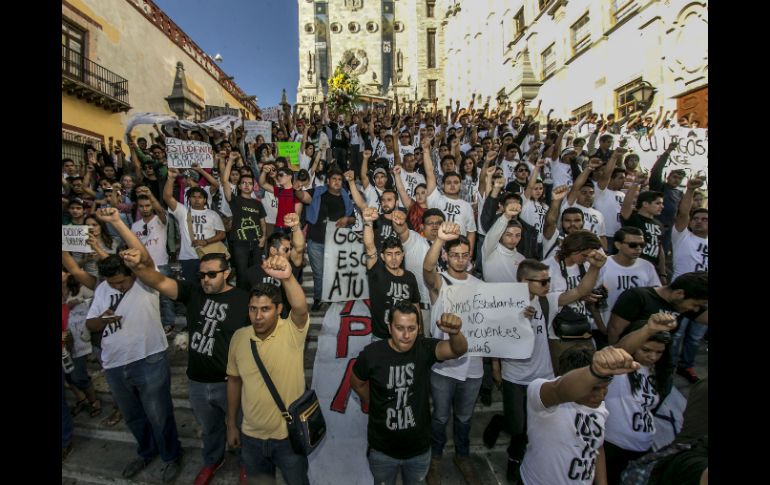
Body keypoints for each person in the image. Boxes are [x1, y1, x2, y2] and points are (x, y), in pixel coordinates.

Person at [117, 205, 251, 485]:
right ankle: (212, 460)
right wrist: (138, 265)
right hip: (197, 382)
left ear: (226, 273)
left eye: (212, 274)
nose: (205, 279)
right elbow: (156, 279)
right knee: (209, 429)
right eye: (202, 275)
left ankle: (247, 465)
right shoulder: (191, 293)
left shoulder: (244, 300)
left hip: (232, 381)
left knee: (242, 428)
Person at [486, 252, 607, 483]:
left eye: (548, 280)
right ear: (524, 282)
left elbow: (580, 292)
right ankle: (502, 422)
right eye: (542, 281)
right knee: (517, 426)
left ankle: (515, 460)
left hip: (543, 376)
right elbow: (493, 337)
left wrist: (594, 269)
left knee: (531, 429)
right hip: (515, 376)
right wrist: (495, 367)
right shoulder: (505, 302)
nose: (547, 285)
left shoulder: (547, 300)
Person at [85, 210, 181, 482]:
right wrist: (102, 320)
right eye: (111, 282)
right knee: (134, 417)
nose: (116, 286)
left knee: (159, 415)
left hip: (148, 358)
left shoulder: (143, 281)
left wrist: (117, 222)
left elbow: (144, 257)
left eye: (120, 281)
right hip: (114, 364)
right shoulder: (104, 289)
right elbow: (90, 324)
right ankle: (146, 451)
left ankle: (171, 456)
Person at [350, 303, 469, 485]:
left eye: (411, 329)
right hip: (382, 450)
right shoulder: (371, 354)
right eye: (399, 328)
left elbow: (457, 350)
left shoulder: (424, 348)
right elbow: (357, 382)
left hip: (418, 450)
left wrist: (455, 333)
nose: (406, 335)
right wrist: (372, 401)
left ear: (418, 328)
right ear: (390, 327)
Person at [226, 255, 310, 484]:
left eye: (265, 309)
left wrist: (288, 277)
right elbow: (234, 381)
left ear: (279, 309)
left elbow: (301, 308)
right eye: (253, 309)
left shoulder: (291, 331)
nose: (258, 316)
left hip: (288, 439)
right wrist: (232, 424)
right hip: (251, 438)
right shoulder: (239, 337)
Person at [518, 345, 641, 485]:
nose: (601, 396)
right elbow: (559, 390)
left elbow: (596, 445)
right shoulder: (541, 393)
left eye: (605, 387)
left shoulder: (599, 406)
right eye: (594, 388)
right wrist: (594, 372)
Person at [422, 222, 484, 484]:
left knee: (464, 417)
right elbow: (426, 269)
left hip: (474, 365)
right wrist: (439, 240)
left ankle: (462, 455)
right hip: (444, 366)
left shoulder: (481, 284)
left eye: (464, 255)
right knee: (439, 417)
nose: (460, 259)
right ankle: (435, 459)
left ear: (470, 257)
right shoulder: (440, 282)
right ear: (446, 256)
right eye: (454, 254)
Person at [607, 271, 708, 399]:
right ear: (679, 293)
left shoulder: (682, 304)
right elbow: (614, 337)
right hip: (628, 369)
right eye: (695, 305)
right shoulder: (637, 297)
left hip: (661, 370)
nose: (695, 310)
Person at [603, 314, 677, 485]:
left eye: (659, 352)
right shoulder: (619, 367)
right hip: (614, 446)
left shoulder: (658, 372)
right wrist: (649, 329)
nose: (652, 357)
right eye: (646, 350)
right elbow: (620, 348)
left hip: (643, 447)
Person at [294, 169, 355, 311]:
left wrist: (347, 219)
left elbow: (353, 218)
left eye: (340, 179)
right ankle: (318, 299)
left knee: (334, 271)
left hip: (336, 243)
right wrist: (297, 189)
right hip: (315, 241)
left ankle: (333, 298)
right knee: (318, 273)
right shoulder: (318, 192)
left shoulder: (345, 197)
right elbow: (304, 197)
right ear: (328, 181)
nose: (337, 181)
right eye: (334, 178)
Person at [669, 176, 708, 384]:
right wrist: (690, 190)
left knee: (695, 337)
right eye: (696, 218)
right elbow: (683, 212)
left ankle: (687, 366)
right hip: (681, 295)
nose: (699, 221)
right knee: (675, 334)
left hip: (705, 297)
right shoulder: (682, 237)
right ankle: (670, 366)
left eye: (704, 219)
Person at [362, 207, 422, 340]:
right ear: (382, 256)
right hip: (381, 337)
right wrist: (368, 223)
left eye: (397, 254)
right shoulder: (377, 271)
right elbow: (369, 246)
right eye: (389, 254)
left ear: (403, 255)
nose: (394, 258)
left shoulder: (409, 277)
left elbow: (416, 307)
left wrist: (420, 334)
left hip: (407, 338)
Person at [165, 168, 227, 284]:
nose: (197, 199)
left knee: (210, 287)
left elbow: (222, 234)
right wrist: (171, 178)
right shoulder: (183, 212)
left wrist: (206, 241)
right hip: (188, 258)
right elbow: (167, 197)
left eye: (200, 197)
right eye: (194, 197)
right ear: (189, 199)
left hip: (209, 257)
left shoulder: (212, 214)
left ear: (205, 199)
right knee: (191, 289)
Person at [597, 227, 661, 338]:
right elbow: (591, 300)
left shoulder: (647, 266)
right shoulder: (603, 265)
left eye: (642, 245)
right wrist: (601, 326)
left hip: (637, 330)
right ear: (618, 245)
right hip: (606, 328)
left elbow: (655, 297)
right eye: (633, 245)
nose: (638, 249)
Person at [131, 189, 176, 335]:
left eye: (147, 205)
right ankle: (152, 324)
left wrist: (151, 195)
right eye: (142, 206)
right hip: (142, 267)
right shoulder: (135, 226)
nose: (145, 208)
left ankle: (169, 323)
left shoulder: (160, 219)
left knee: (165, 297)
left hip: (161, 264)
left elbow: (161, 211)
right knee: (145, 298)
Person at [222, 158, 267, 290]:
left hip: (257, 243)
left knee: (256, 274)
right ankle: (242, 301)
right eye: (244, 183)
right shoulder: (235, 200)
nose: (247, 185)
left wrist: (263, 237)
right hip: (240, 243)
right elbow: (224, 181)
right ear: (239, 186)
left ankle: (255, 297)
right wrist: (230, 161)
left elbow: (262, 221)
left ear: (253, 186)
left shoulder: (257, 203)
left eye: (250, 183)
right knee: (242, 274)